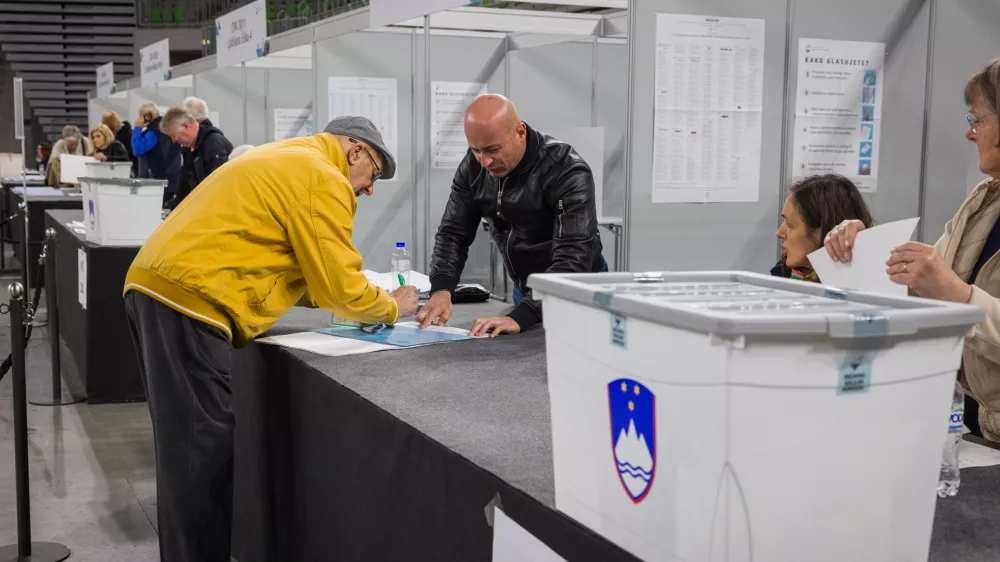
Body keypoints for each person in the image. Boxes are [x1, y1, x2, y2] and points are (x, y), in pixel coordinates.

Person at [123, 116, 418, 562]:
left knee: (189, 453)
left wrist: (353, 296)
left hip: (161, 289)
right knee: (199, 458)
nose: (370, 189)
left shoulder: (290, 157)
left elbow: (310, 275)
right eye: (374, 174)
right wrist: (393, 305)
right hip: (188, 302)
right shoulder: (324, 177)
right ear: (355, 151)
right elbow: (339, 285)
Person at [824, 57, 1000, 442]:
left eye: (978, 120)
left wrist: (960, 295)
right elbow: (921, 283)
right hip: (970, 424)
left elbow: (950, 291)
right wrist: (861, 247)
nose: (970, 134)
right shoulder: (983, 201)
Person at [417, 94, 606, 337]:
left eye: (493, 149)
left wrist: (523, 315)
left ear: (520, 132)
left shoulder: (566, 171)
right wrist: (441, 289)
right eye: (475, 150)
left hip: (577, 291)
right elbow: (454, 232)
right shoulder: (473, 167)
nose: (484, 161)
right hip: (526, 290)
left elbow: (573, 260)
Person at [771, 174, 874, 282]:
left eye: (790, 225)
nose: (779, 233)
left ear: (821, 232)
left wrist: (863, 248)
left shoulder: (862, 283)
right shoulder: (782, 274)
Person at [160, 107, 233, 208]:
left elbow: (221, 184)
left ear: (185, 126)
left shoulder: (213, 143)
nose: (174, 141)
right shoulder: (188, 150)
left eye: (174, 135)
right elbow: (185, 184)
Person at [132, 103, 182, 205]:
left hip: (157, 182)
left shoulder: (154, 132)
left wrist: (137, 128)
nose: (139, 119)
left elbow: (137, 149)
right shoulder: (165, 129)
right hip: (170, 181)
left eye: (141, 116)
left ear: (148, 116)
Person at [102, 110, 137, 174]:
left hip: (128, 174)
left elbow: (125, 159)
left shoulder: (126, 138)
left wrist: (106, 158)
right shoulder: (131, 133)